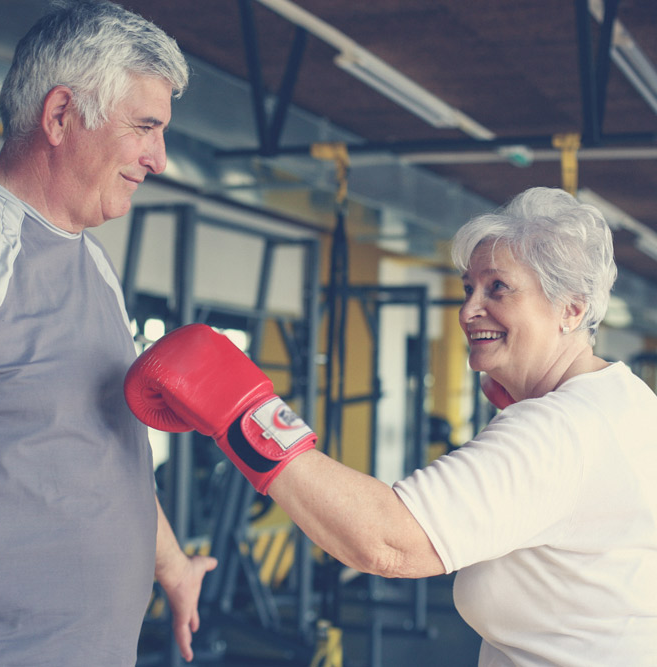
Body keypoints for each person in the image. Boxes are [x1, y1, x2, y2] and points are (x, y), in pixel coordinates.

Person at [125, 187, 657, 666]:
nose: (470, 308)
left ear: (571, 308)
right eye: (469, 286)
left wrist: (241, 411)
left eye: (499, 288)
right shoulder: (625, 400)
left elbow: (389, 543)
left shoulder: (560, 429)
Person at [0, 1, 216, 664]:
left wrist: (171, 563)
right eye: (144, 126)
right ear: (59, 116)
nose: (159, 158)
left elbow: (101, 451)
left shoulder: (94, 265)